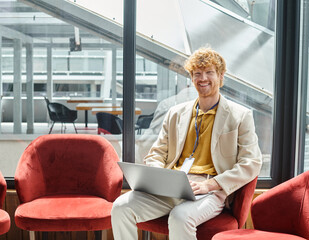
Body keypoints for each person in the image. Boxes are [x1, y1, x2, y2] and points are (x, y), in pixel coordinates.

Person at [111, 47, 262, 240]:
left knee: (180, 217)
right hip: (172, 185)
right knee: (121, 207)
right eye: (197, 73)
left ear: (221, 76)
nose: (203, 78)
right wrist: (160, 176)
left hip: (209, 190)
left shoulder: (240, 115)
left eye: (209, 72)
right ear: (191, 78)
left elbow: (252, 163)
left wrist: (211, 184)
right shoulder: (175, 113)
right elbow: (156, 153)